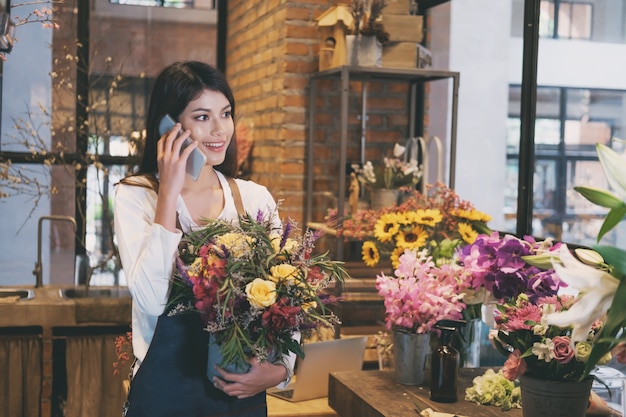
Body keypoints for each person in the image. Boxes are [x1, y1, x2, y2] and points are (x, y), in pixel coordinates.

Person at [113, 61, 296, 417]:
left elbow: (289, 299)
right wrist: (169, 192)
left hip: (241, 396)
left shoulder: (254, 199)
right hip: (164, 398)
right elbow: (151, 301)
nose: (219, 129)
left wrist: (281, 370)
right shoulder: (137, 195)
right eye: (201, 117)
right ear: (169, 126)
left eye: (225, 114)